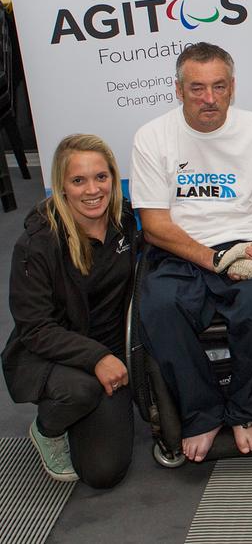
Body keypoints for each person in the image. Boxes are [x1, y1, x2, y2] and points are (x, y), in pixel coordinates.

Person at [131, 43, 252, 462]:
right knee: (160, 307)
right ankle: (201, 413)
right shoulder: (152, 137)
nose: (209, 98)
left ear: (232, 87)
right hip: (183, 251)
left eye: (219, 87)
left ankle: (245, 412)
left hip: (249, 244)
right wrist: (212, 260)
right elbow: (154, 225)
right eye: (197, 89)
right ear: (178, 90)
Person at [3, 135, 136, 487]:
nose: (92, 190)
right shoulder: (38, 244)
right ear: (61, 186)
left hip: (112, 351)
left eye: (101, 177)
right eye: (78, 181)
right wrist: (97, 358)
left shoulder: (127, 221)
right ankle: (47, 429)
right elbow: (35, 329)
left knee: (104, 471)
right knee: (80, 392)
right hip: (55, 356)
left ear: (113, 177)